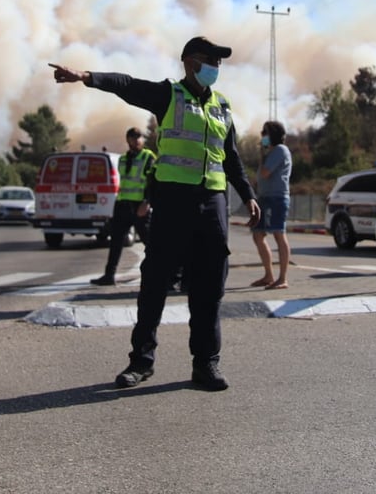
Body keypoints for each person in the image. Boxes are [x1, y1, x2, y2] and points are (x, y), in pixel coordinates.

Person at [50, 36, 262, 392]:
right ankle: (141, 362)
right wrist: (85, 76)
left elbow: (231, 157)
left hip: (213, 203)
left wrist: (248, 194)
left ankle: (206, 364)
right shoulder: (169, 96)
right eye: (210, 60)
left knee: (209, 286)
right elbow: (127, 85)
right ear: (190, 62)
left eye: (220, 62)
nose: (216, 67)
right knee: (155, 282)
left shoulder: (223, 106)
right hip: (174, 201)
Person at [91, 127, 156, 286]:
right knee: (116, 242)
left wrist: (147, 202)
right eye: (133, 137)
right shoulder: (123, 159)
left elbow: (153, 182)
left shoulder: (148, 157)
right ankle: (109, 275)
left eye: (139, 137)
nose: (137, 140)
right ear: (128, 140)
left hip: (139, 206)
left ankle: (165, 274)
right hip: (122, 205)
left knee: (151, 242)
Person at [251, 120, 292, 289]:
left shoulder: (280, 151)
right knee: (258, 234)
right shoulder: (271, 152)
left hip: (276, 197)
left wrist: (264, 155)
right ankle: (268, 275)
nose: (262, 136)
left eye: (265, 133)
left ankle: (282, 278)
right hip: (265, 197)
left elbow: (265, 173)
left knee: (278, 234)